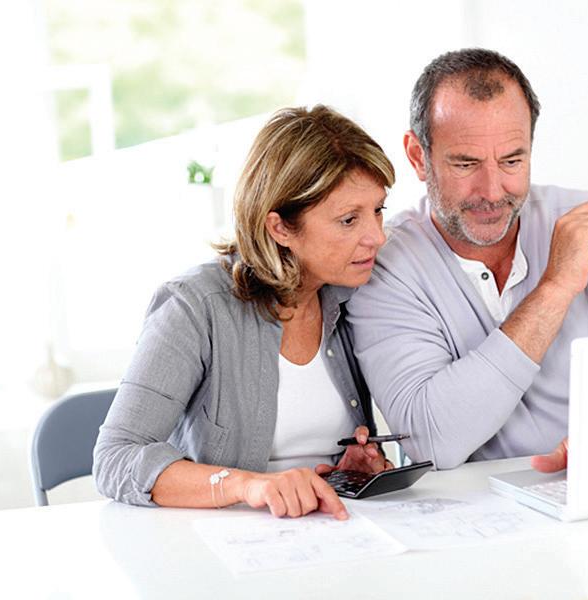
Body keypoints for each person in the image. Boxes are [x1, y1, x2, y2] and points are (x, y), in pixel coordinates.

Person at [346, 48, 588, 472]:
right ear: (417, 156)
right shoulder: (384, 264)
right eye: (466, 163)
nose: (492, 191)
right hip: (473, 507)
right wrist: (555, 288)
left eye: (512, 160)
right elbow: (432, 440)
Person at [94, 105, 395, 520]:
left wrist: (352, 472)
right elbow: (115, 458)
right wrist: (247, 485)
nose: (377, 237)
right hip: (223, 542)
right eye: (348, 220)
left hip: (331, 532)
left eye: (378, 210)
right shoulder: (195, 305)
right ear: (280, 227)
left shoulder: (355, 296)